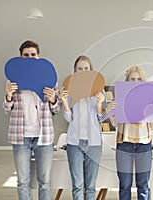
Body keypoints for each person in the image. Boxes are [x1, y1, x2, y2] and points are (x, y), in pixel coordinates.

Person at [2, 40, 62, 200]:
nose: (29, 58)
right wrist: (8, 96)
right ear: (20, 57)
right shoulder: (12, 81)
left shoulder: (50, 79)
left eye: (33, 55)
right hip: (20, 137)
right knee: (23, 181)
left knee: (45, 182)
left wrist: (54, 99)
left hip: (44, 137)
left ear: (38, 56)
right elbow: (7, 109)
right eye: (26, 55)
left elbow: (57, 109)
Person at [60, 55, 107, 200]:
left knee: (91, 187)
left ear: (91, 70)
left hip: (94, 144)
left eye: (86, 68)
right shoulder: (69, 89)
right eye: (80, 68)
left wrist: (100, 103)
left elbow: (101, 118)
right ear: (75, 71)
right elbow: (68, 118)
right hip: (74, 143)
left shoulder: (99, 90)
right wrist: (64, 102)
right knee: (77, 186)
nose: (83, 71)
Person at [113, 66, 153, 200]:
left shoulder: (148, 97)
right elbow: (114, 123)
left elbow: (152, 125)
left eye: (139, 79)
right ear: (127, 81)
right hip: (124, 144)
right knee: (125, 185)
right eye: (132, 79)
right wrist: (113, 109)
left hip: (144, 143)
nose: (135, 81)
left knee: (143, 186)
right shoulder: (121, 96)